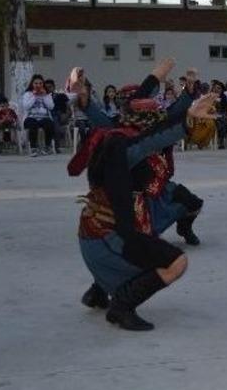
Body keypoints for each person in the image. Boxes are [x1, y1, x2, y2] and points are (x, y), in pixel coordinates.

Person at [69, 58, 213, 331]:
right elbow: (157, 135)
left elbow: (149, 104)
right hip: (108, 233)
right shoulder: (124, 143)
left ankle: (97, 291)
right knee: (170, 261)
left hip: (98, 227)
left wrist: (166, 74)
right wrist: (189, 115)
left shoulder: (118, 127)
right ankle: (121, 305)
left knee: (148, 233)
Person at [21, 74, 56, 156]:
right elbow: (26, 106)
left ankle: (47, 147)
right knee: (33, 124)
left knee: (49, 123)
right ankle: (33, 148)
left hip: (44, 117)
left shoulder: (47, 94)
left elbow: (51, 107)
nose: (38, 86)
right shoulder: (28, 94)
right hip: (31, 117)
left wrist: (44, 96)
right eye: (36, 83)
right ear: (32, 84)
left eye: (40, 83)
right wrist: (34, 95)